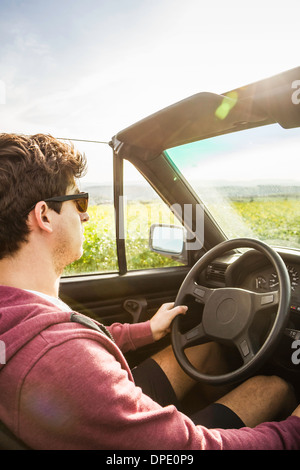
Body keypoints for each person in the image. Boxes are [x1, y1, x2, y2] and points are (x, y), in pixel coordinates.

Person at [0, 132, 299, 450]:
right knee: (274, 385)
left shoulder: (20, 313)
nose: (86, 215)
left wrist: (144, 330)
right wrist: (293, 430)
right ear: (44, 215)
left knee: (206, 352)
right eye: (79, 201)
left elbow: (75, 341)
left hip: (80, 415)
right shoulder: (63, 360)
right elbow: (190, 450)